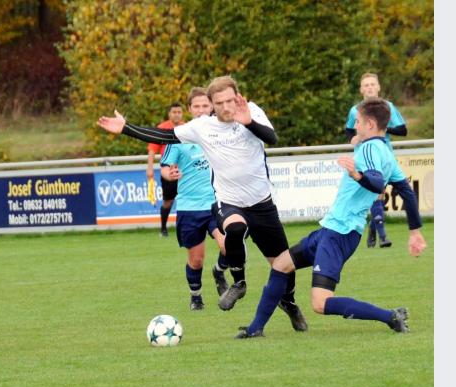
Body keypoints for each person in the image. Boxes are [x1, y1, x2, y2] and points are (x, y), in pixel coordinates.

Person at [97, 76, 307, 332]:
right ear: (211, 104)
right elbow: (164, 135)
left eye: (230, 100)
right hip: (228, 201)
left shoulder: (251, 111)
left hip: (262, 203)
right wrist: (126, 128)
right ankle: (239, 282)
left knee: (284, 264)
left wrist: (248, 122)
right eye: (220, 102)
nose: (227, 106)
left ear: (238, 96)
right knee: (235, 229)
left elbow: (272, 138)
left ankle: (289, 302)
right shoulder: (202, 127)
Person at [235, 98, 427, 339]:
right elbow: (407, 192)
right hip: (332, 229)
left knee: (320, 303)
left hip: (340, 233)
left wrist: (357, 175)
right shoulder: (385, 152)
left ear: (369, 123)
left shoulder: (369, 149)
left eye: (357, 122)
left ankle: (390, 316)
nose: (354, 127)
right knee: (281, 265)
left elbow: (376, 181)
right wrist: (415, 230)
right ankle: (255, 329)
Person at [159, 88, 230, 310]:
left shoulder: (222, 133)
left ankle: (218, 271)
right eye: (196, 106)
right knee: (196, 259)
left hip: (216, 203)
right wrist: (168, 174)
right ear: (189, 109)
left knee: (230, 246)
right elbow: (164, 168)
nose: (201, 110)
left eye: (205, 106)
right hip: (190, 207)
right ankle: (196, 296)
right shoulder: (179, 136)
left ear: (212, 107)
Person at [345, 72, 408, 248]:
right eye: (366, 85)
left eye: (373, 84)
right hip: (363, 156)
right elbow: (349, 130)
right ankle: (383, 236)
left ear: (378, 87)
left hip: (384, 155)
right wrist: (353, 139)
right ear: (361, 89)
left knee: (378, 194)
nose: (370, 87)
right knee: (376, 193)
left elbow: (403, 130)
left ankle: (374, 227)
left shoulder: (388, 107)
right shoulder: (355, 110)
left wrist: (381, 126)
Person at [147, 103, 184, 237]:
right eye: (174, 112)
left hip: (185, 170)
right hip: (168, 170)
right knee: (168, 201)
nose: (177, 114)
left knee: (186, 199)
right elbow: (152, 149)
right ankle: (163, 228)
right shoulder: (162, 128)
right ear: (169, 114)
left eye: (179, 112)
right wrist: (150, 168)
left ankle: (184, 228)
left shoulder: (186, 127)